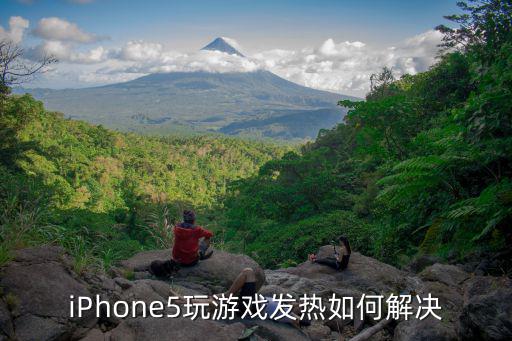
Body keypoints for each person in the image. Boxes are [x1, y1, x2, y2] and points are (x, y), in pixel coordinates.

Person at [170, 268, 310, 329]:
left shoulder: (289, 316)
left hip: (249, 307)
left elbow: (300, 322)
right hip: (251, 301)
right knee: (216, 301)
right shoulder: (286, 309)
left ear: (298, 314)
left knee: (216, 301)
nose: (298, 303)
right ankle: (183, 299)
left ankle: (182, 300)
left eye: (300, 306)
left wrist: (300, 321)